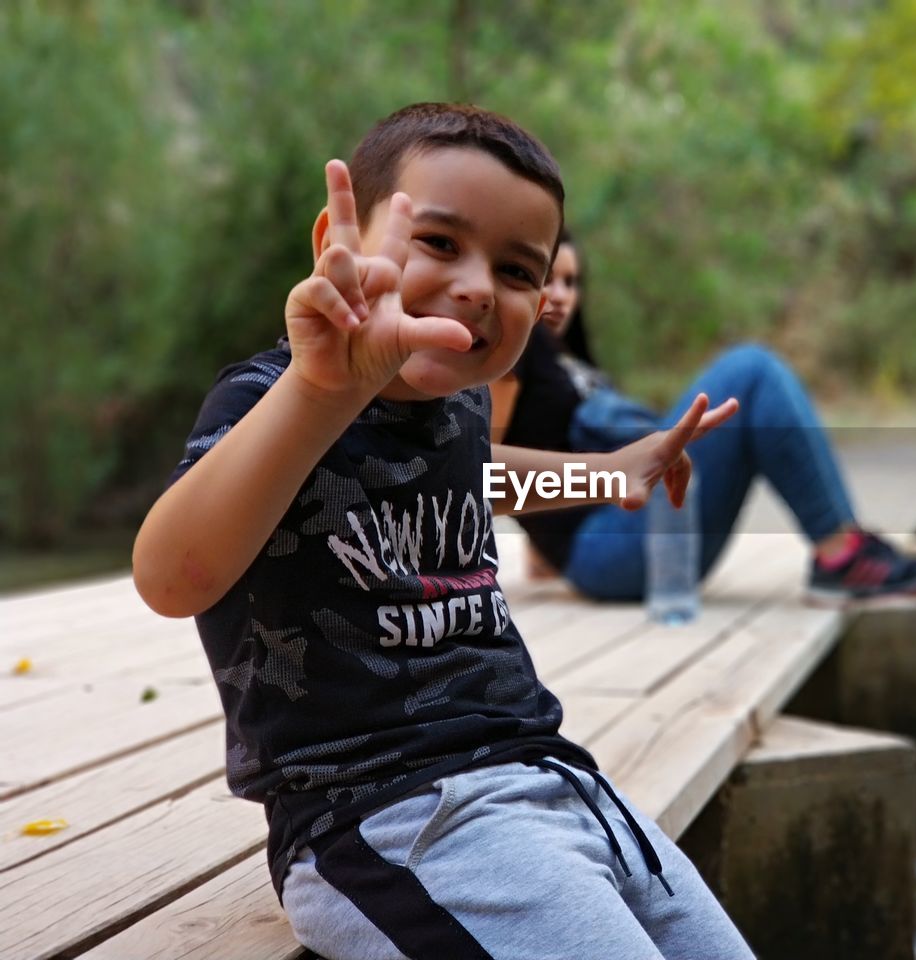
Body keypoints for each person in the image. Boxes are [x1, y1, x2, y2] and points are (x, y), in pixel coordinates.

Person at [132, 103, 754, 960]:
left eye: (514, 269)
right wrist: (322, 392)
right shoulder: (268, 402)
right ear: (334, 241)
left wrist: (613, 472)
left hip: (556, 780)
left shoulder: (453, 406)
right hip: (386, 814)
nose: (474, 285)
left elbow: (480, 475)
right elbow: (172, 578)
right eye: (439, 243)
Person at [494, 233, 916, 603]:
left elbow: (547, 440)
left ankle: (845, 545)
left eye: (572, 283)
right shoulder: (514, 350)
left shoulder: (570, 362)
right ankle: (841, 554)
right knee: (751, 371)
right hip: (606, 548)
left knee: (752, 374)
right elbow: (484, 471)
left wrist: (543, 552)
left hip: (631, 535)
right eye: (547, 279)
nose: (562, 296)